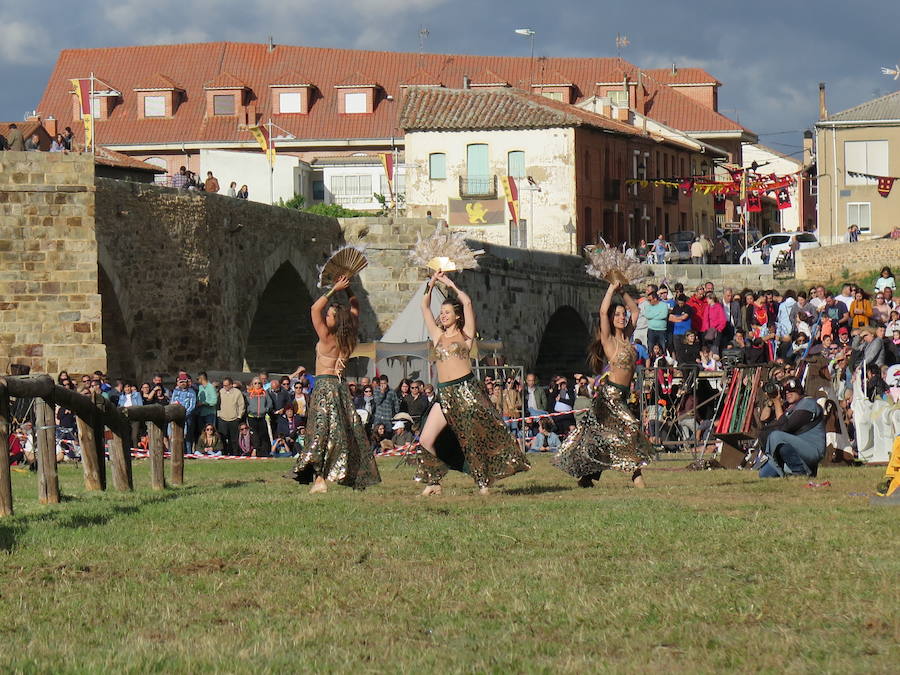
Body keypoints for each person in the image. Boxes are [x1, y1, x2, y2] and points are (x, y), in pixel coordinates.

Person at [415, 271, 529, 496]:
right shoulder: (438, 336)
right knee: (426, 439)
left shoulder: (466, 336)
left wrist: (450, 283)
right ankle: (433, 482)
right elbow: (424, 307)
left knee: (473, 440)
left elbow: (466, 301)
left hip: (465, 391)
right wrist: (432, 283)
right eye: (442, 312)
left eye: (447, 312)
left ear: (457, 316)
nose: (443, 315)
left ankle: (483, 483)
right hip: (444, 395)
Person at [554, 281, 654, 488]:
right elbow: (601, 312)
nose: (621, 317)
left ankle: (586, 478)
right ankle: (637, 478)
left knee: (602, 438)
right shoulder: (608, 340)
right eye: (616, 314)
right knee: (630, 430)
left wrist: (623, 291)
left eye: (621, 314)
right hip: (610, 396)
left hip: (623, 395)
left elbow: (635, 310)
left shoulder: (627, 337)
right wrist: (610, 289)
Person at [289, 276, 380, 493]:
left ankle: (320, 478)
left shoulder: (327, 336)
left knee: (319, 432)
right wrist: (348, 291)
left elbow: (314, 309)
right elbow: (356, 306)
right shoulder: (349, 336)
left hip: (323, 386)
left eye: (329, 315)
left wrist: (333, 290)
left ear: (335, 320)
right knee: (346, 430)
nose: (326, 316)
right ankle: (350, 473)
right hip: (341, 387)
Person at [757, 378, 826, 478]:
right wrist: (776, 401)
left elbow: (787, 427)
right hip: (796, 448)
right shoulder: (792, 408)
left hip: (812, 449)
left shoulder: (808, 403)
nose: (788, 393)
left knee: (776, 436)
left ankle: (800, 472)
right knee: (764, 474)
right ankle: (792, 470)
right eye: (785, 391)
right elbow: (778, 423)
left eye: (791, 390)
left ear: (799, 390)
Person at [217, 377, 245, 455]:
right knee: (222, 438)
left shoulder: (238, 393)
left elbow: (241, 405)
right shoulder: (221, 391)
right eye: (223, 385)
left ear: (231, 385)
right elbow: (218, 404)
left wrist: (239, 416)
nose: (225, 387)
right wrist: (219, 415)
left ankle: (235, 454)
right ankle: (224, 453)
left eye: (226, 385)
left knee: (234, 439)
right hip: (223, 419)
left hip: (234, 419)